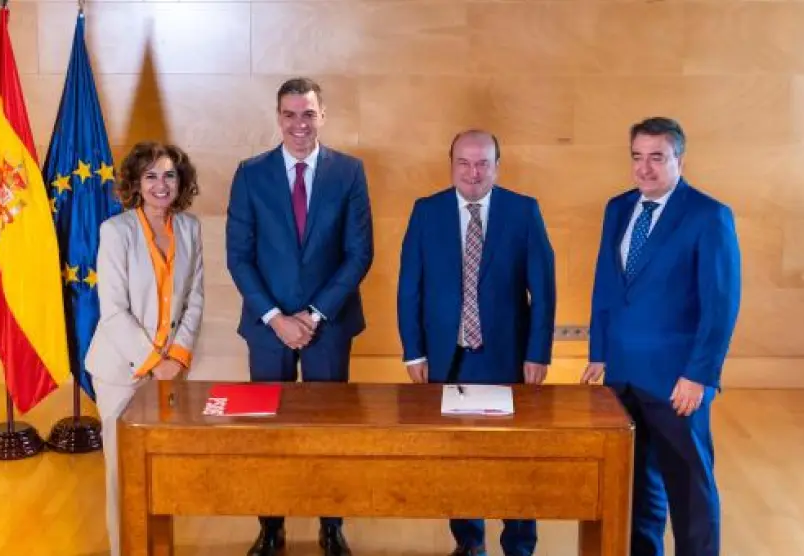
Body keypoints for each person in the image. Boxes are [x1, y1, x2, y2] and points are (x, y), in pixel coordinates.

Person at [225, 77, 374, 556]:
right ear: (278, 118)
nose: (299, 124)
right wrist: (276, 318)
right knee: (267, 429)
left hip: (329, 325)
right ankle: (271, 526)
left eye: (308, 114)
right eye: (289, 114)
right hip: (267, 327)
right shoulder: (250, 174)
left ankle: (332, 525)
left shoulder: (349, 172)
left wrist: (313, 315)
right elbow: (238, 256)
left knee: (330, 430)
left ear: (322, 116)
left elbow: (359, 253)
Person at [582, 117, 741, 556]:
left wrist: (699, 375)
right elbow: (606, 283)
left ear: (679, 160)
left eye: (657, 157)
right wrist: (599, 350)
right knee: (635, 488)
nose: (644, 168)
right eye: (637, 157)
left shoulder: (708, 215)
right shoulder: (618, 208)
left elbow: (720, 305)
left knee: (689, 491)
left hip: (677, 381)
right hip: (622, 375)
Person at [397, 129, 556, 556]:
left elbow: (543, 290)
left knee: (515, 456)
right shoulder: (427, 211)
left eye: (483, 163)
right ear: (451, 165)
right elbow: (409, 287)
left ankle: (519, 544)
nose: (473, 173)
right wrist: (414, 350)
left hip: (508, 357)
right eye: (464, 163)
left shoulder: (523, 211)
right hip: (447, 358)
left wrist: (538, 352)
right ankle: (469, 542)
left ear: (497, 167)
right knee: (457, 455)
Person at [84, 141, 205, 556]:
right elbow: (113, 310)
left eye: (169, 175)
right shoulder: (115, 231)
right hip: (122, 371)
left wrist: (177, 358)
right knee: (123, 472)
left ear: (181, 182)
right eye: (150, 176)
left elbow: (194, 299)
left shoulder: (189, 228)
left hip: (171, 372)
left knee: (162, 470)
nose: (160, 184)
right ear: (135, 183)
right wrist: (155, 363)